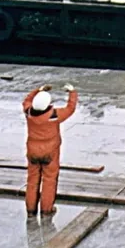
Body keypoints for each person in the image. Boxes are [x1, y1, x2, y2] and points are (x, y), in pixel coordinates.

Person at [22, 83, 78, 218]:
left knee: (32, 180)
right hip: (50, 152)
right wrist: (72, 92)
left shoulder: (28, 112)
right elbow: (70, 108)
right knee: (49, 180)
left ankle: (31, 210)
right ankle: (46, 210)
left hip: (33, 151)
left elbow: (26, 100)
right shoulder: (54, 115)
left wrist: (39, 90)